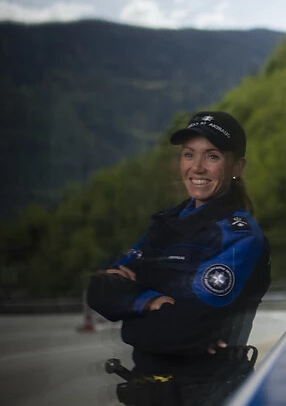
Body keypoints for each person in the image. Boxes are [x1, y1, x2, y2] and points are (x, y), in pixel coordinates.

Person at [87, 111, 271, 406]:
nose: (196, 167)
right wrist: (148, 302)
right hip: (151, 391)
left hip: (207, 394)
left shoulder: (240, 236)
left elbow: (181, 331)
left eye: (212, 156)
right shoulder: (166, 223)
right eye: (188, 154)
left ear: (237, 166)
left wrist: (129, 319)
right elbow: (99, 290)